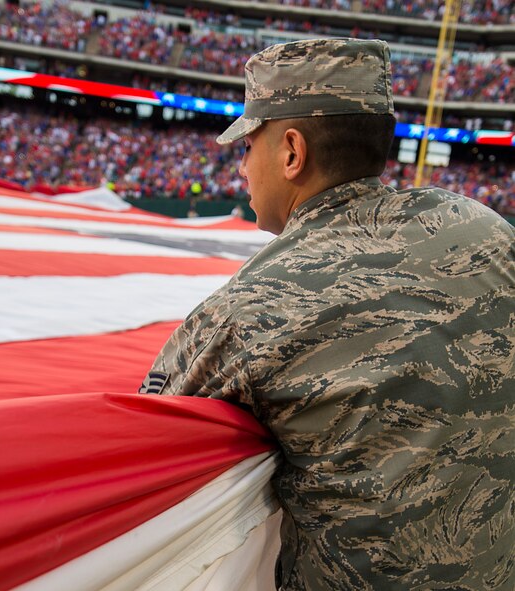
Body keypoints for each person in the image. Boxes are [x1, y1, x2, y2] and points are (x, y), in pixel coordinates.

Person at [140, 38, 514, 590]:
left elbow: (144, 433)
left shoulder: (255, 303)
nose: (241, 165)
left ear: (291, 152)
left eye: (249, 143)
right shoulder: (488, 232)